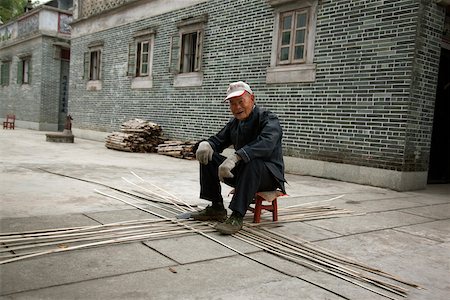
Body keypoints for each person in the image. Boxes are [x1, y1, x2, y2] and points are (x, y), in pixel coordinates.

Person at [192, 81, 286, 234]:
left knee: (253, 162)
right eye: (232, 104)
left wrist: (235, 157)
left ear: (252, 99)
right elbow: (218, 140)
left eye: (241, 102)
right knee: (208, 156)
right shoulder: (234, 123)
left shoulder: (268, 119)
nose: (237, 107)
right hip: (244, 173)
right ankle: (216, 207)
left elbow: (266, 144)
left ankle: (237, 216)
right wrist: (205, 144)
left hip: (268, 175)